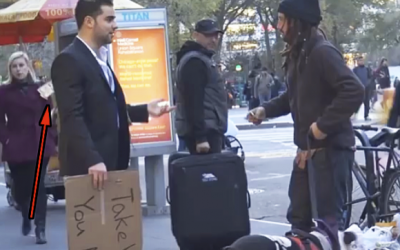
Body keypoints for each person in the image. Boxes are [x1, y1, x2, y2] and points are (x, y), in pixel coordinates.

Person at [248, 0, 364, 238]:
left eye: (282, 20)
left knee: (328, 224)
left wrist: (323, 126)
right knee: (299, 219)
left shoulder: (322, 52)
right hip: (306, 151)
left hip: (330, 152)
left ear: (297, 22)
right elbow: (293, 95)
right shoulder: (297, 53)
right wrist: (265, 110)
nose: (278, 26)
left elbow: (354, 90)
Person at [51, 0, 173, 189]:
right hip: (89, 169)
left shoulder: (98, 58)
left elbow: (103, 108)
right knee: (95, 220)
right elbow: (71, 117)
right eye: (109, 19)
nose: (115, 25)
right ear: (89, 22)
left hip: (110, 163)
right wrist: (92, 159)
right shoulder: (68, 60)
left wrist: (145, 110)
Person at [0, 51, 58, 244]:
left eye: (22, 65)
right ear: (11, 69)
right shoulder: (3, 91)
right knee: (22, 188)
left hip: (39, 141)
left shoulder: (42, 87)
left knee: (39, 185)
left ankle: (40, 228)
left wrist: (51, 135)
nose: (19, 69)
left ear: (28, 67)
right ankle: (26, 213)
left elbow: (50, 112)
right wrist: (5, 139)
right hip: (16, 143)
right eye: (15, 66)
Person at [175, 19, 228, 155]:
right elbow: (193, 100)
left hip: (208, 127)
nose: (214, 40)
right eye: (208, 35)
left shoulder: (201, 59)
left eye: (216, 36)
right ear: (196, 35)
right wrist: (200, 137)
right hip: (205, 131)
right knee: (208, 173)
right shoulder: (195, 61)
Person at [353, 56, 372, 120]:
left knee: (367, 102)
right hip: (358, 88)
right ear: (357, 62)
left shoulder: (367, 69)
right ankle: (354, 114)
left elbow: (370, 77)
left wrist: (367, 84)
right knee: (357, 101)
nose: (361, 62)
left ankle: (366, 115)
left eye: (362, 60)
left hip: (366, 88)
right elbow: (353, 78)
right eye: (360, 61)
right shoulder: (355, 70)